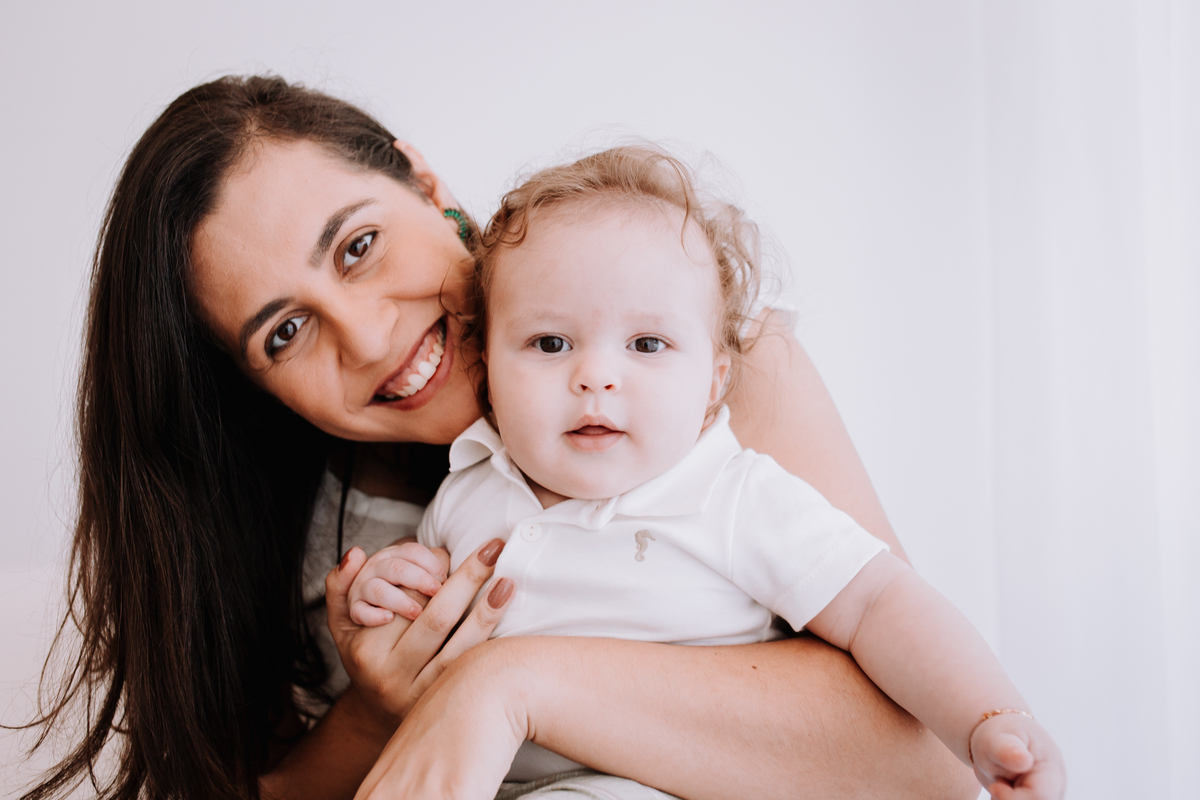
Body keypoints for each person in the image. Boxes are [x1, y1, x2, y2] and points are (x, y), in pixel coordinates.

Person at [22, 75, 980, 800]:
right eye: (286, 332)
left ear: (424, 182)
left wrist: (507, 682)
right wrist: (375, 714)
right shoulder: (286, 515)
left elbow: (929, 766)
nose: (369, 337)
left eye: (358, 246)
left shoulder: (699, 371)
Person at [344, 146, 1067, 800]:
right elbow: (429, 629)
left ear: (714, 384)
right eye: (551, 342)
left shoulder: (732, 495)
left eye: (647, 344)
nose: (596, 375)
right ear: (487, 373)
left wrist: (987, 717)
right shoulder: (468, 486)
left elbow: (881, 602)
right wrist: (392, 587)